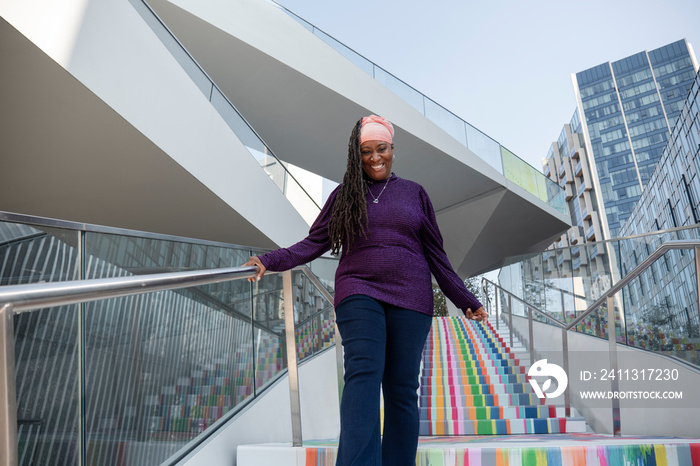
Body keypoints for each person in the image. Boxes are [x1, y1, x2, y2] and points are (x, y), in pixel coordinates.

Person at [244, 115, 487, 465]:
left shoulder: (415, 193)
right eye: (367, 151)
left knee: (402, 389)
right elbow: (313, 243)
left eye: (382, 149)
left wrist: (465, 300)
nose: (375, 157)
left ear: (392, 149)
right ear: (355, 155)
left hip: (411, 297)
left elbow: (437, 255)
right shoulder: (344, 196)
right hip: (359, 290)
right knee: (363, 374)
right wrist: (270, 260)